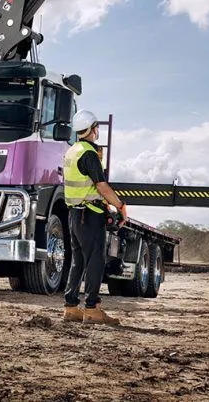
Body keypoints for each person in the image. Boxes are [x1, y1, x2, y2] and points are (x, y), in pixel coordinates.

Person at [61, 109, 128, 325]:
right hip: (90, 215)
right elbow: (102, 186)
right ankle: (92, 308)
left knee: (78, 261)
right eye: (96, 128)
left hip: (74, 214)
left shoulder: (72, 151)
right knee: (95, 261)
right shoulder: (89, 153)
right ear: (92, 129)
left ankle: (71, 307)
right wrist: (120, 206)